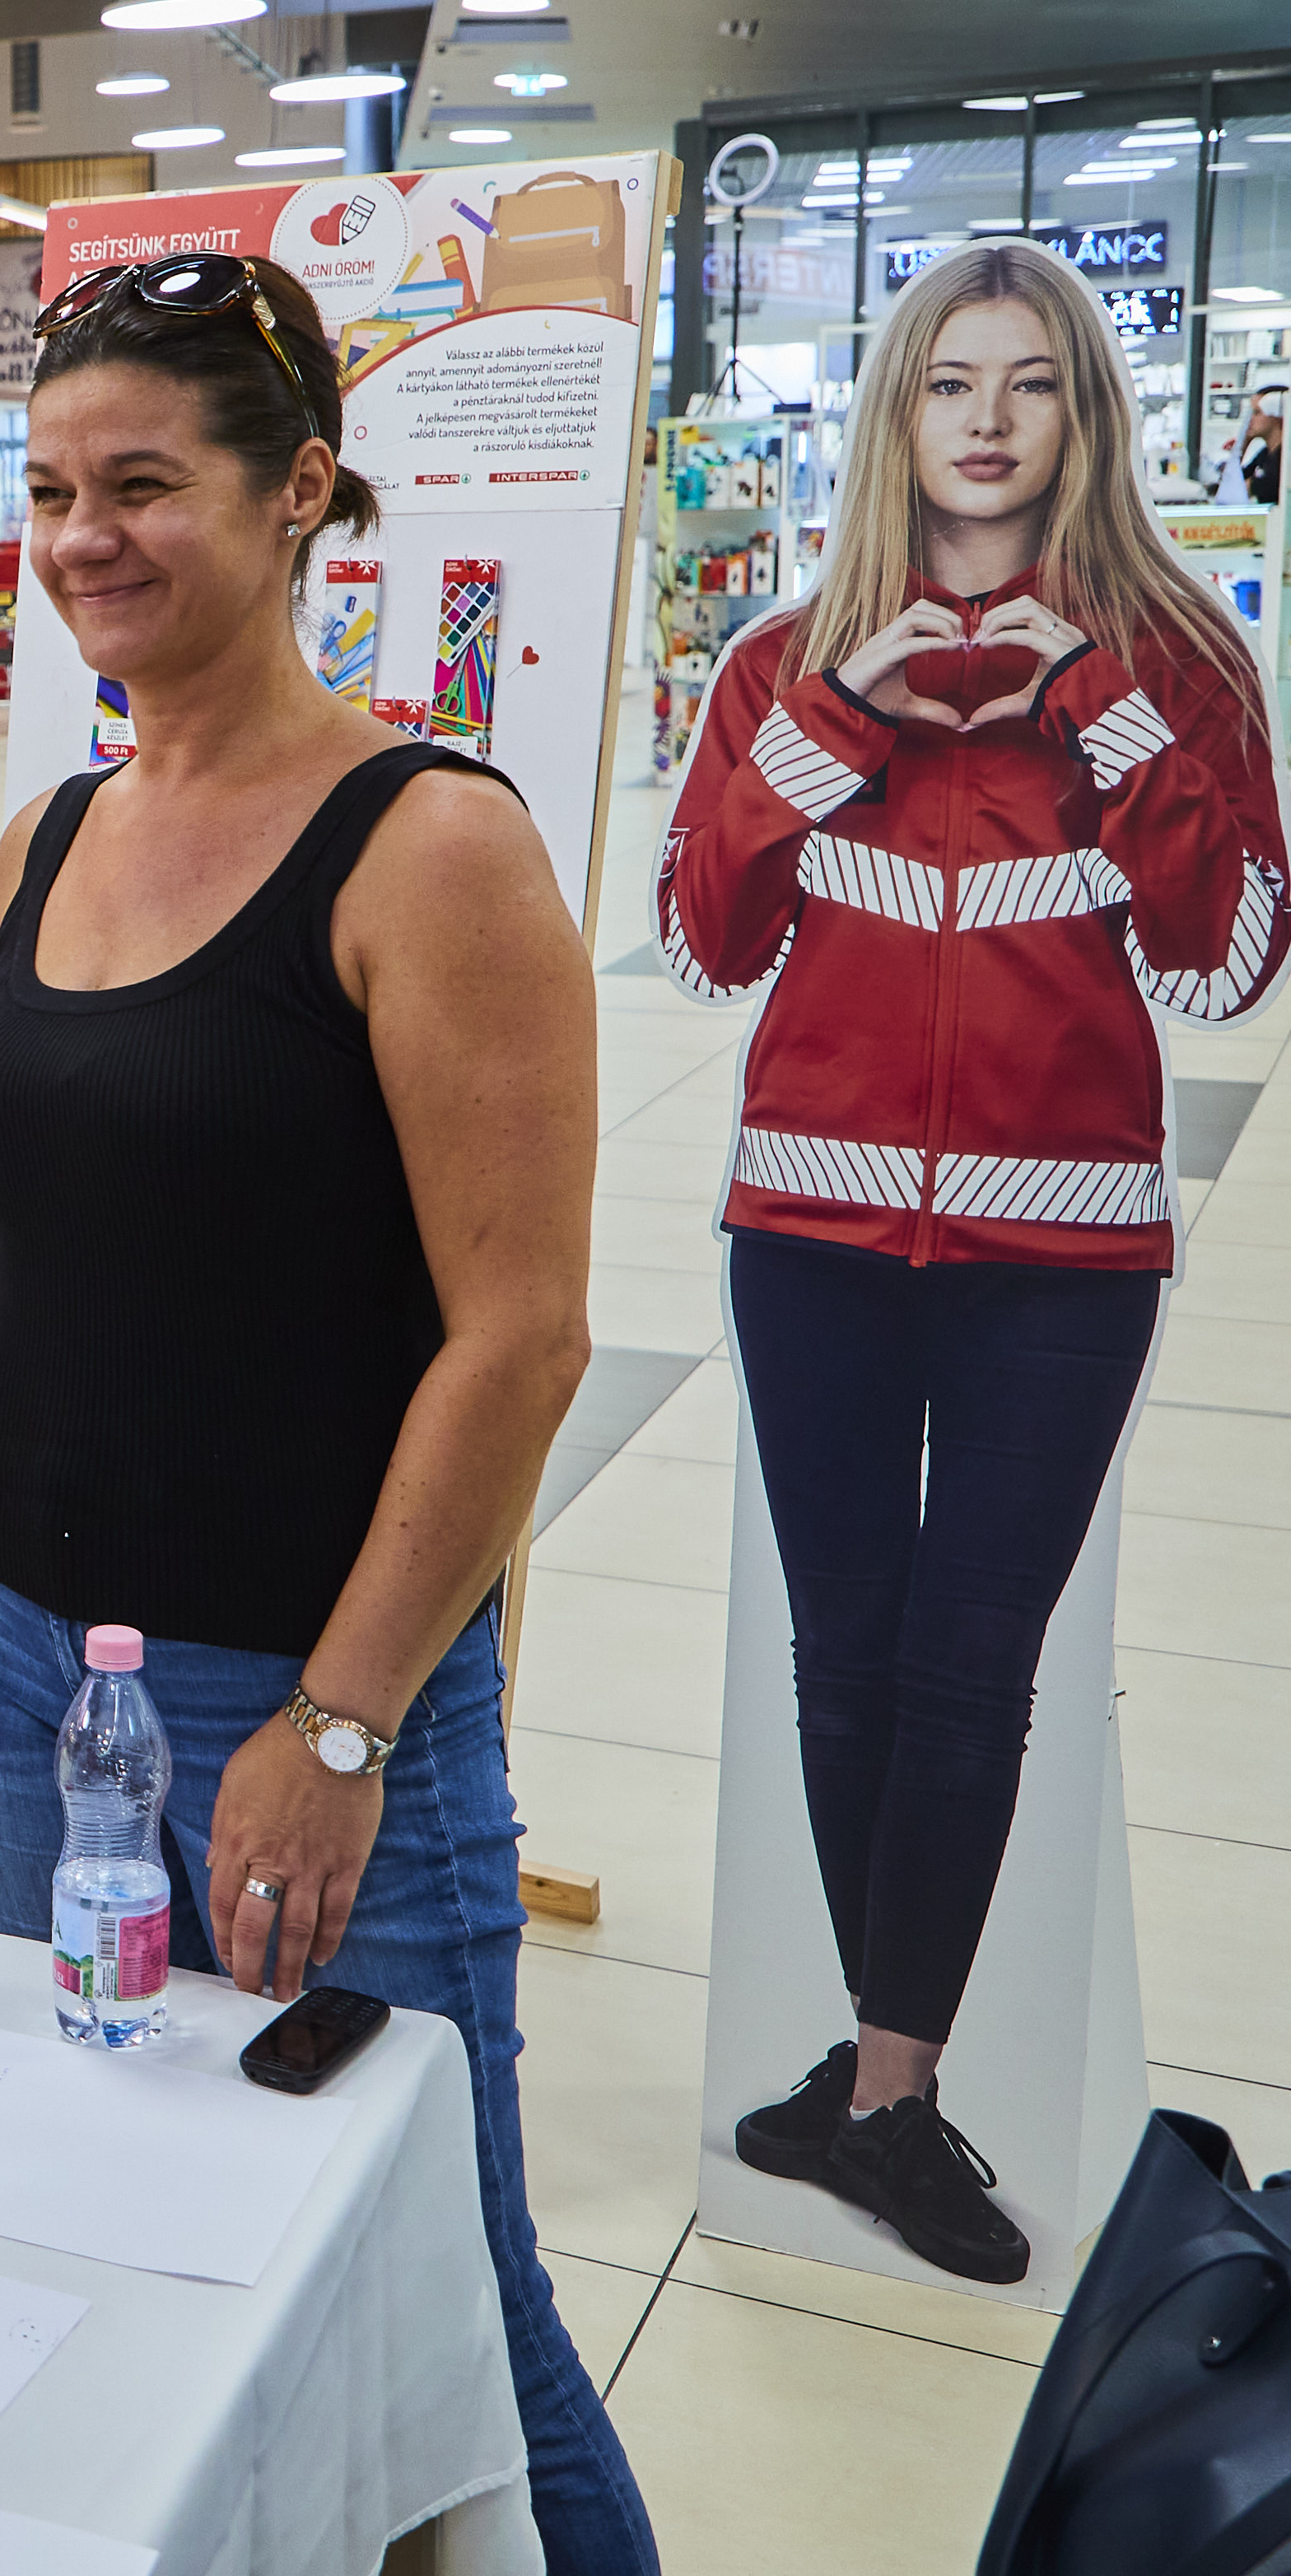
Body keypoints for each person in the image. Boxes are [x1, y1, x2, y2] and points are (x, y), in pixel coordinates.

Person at [0, 252, 660, 2570]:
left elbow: (513, 1339)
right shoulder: (54, 832)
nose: (81, 537)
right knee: (127, 2184)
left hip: (292, 1693)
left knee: (437, 2286)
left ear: (297, 490)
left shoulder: (428, 846)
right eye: (46, 491)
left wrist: (333, 1724)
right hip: (25, 1665)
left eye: (142, 485)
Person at [668, 241, 1284, 2285]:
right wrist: (838, 719)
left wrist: (1092, 706)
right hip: (810, 1236)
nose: (989, 418)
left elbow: (1223, 962)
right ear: (897, 417)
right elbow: (701, 939)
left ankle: (881, 2087)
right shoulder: (784, 656)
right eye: (949, 383)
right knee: (843, 1656)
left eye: (1028, 381)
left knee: (968, 1667)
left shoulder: (1180, 656)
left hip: (1060, 1256)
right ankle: (877, 2094)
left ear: (1082, 413)